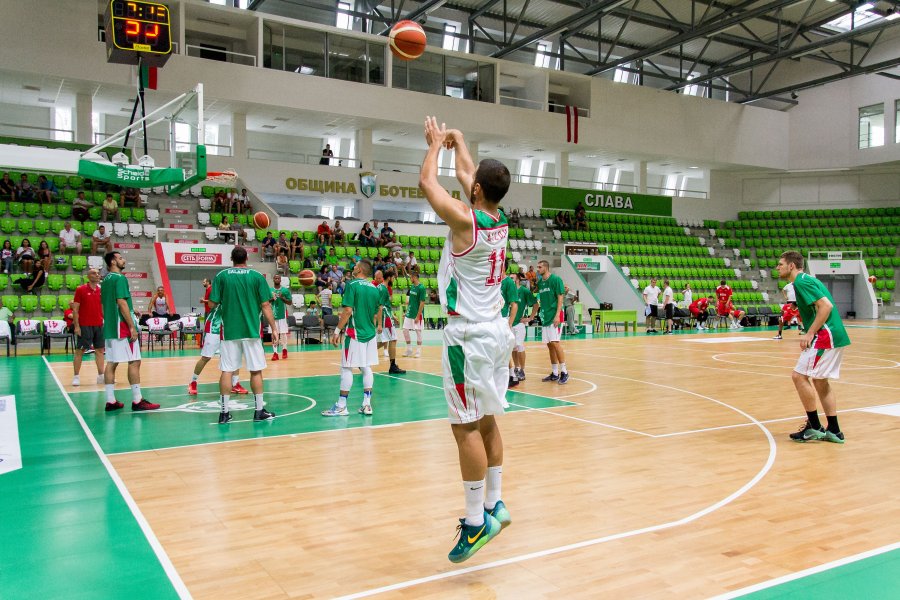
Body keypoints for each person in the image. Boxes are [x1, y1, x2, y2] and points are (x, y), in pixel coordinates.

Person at [420, 117, 514, 563]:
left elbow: (427, 183)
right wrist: (462, 143)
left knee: (465, 428)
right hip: (496, 331)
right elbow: (468, 172)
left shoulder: (463, 221)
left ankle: (476, 524)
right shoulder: (499, 218)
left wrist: (437, 145)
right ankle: (496, 502)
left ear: (476, 191)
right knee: (490, 418)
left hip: (468, 336)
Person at [776, 250, 849, 444]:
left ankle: (815, 426)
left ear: (791, 266)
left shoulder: (801, 281)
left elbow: (826, 306)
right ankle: (834, 430)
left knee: (799, 376)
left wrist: (809, 333)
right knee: (820, 381)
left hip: (826, 335)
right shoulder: (804, 281)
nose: (778, 267)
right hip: (834, 334)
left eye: (780, 264)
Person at [208, 246, 279, 424]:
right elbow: (265, 306)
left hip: (230, 331)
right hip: (251, 331)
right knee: (255, 371)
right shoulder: (256, 277)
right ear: (247, 258)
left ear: (231, 258)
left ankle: (224, 414)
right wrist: (274, 328)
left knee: (227, 370)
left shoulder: (221, 276)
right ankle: (259, 411)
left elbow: (211, 304)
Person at [322, 259, 382, 417]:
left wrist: (336, 331)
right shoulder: (375, 289)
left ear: (360, 269)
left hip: (355, 334)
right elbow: (376, 313)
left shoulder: (352, 285)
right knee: (366, 367)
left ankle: (341, 406)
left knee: (346, 367)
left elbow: (348, 311)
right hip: (370, 334)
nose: (353, 268)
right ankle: (367, 405)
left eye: (355, 266)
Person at [101, 251, 159, 412]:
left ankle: (110, 401)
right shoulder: (120, 278)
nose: (123, 260)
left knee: (111, 363)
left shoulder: (105, 281)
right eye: (120, 258)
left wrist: (131, 313)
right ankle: (137, 400)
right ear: (113, 261)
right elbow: (121, 303)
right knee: (134, 361)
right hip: (123, 329)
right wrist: (131, 326)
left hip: (110, 327)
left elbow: (106, 306)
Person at [187, 302, 249, 397]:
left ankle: (235, 384)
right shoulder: (221, 289)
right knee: (206, 357)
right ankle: (193, 382)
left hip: (228, 327)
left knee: (234, 356)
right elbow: (211, 304)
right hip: (214, 327)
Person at [534, 260, 568, 384]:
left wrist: (557, 315)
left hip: (555, 315)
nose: (538, 269)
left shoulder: (556, 279)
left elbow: (560, 297)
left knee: (555, 343)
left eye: (540, 267)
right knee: (549, 344)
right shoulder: (540, 283)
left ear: (546, 267)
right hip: (546, 316)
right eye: (537, 267)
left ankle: (564, 372)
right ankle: (554, 373)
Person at [72, 268, 105, 387]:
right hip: (84, 325)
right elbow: (75, 309)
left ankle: (101, 376)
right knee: (80, 351)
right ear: (88, 276)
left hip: (99, 325)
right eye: (94, 273)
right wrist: (77, 326)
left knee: (100, 350)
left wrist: (104, 320)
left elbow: (102, 307)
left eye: (98, 273)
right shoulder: (80, 290)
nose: (97, 275)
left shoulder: (101, 290)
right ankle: (76, 376)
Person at [374, 269, 406, 374]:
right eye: (393, 278)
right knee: (393, 339)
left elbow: (383, 306)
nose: (394, 280)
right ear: (389, 277)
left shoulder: (380, 287)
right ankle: (392, 366)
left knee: (382, 341)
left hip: (385, 316)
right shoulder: (383, 289)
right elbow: (380, 307)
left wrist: (393, 316)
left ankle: (363, 356)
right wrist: (379, 324)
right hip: (385, 318)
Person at [511, 272, 535, 382]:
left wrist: (530, 318)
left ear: (518, 279)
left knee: (520, 345)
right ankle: (516, 368)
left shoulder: (524, 291)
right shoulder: (507, 290)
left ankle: (522, 370)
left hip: (520, 323)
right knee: (513, 347)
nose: (510, 279)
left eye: (512, 278)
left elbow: (535, 304)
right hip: (509, 323)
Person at [500, 271, 520, 387]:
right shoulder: (493, 281)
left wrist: (510, 322)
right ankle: (508, 374)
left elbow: (514, 304)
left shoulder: (508, 282)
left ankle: (512, 375)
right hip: (492, 319)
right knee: (500, 349)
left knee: (505, 348)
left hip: (502, 319)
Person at [402, 271, 426, 358]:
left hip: (417, 314)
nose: (410, 279)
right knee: (405, 330)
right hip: (409, 313)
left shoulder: (422, 288)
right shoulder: (412, 287)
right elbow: (410, 302)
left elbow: (422, 303)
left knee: (418, 332)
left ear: (414, 277)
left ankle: (418, 351)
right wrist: (406, 312)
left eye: (410, 277)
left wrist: (418, 316)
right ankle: (409, 349)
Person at [270, 273, 292, 361]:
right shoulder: (269, 290)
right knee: (273, 334)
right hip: (272, 315)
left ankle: (284, 350)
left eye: (278, 278)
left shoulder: (285, 290)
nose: (277, 279)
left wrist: (283, 298)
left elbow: (290, 302)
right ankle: (275, 353)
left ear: (280, 280)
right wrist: (272, 299)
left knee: (283, 333)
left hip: (282, 315)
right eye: (275, 278)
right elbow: (266, 301)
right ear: (273, 280)